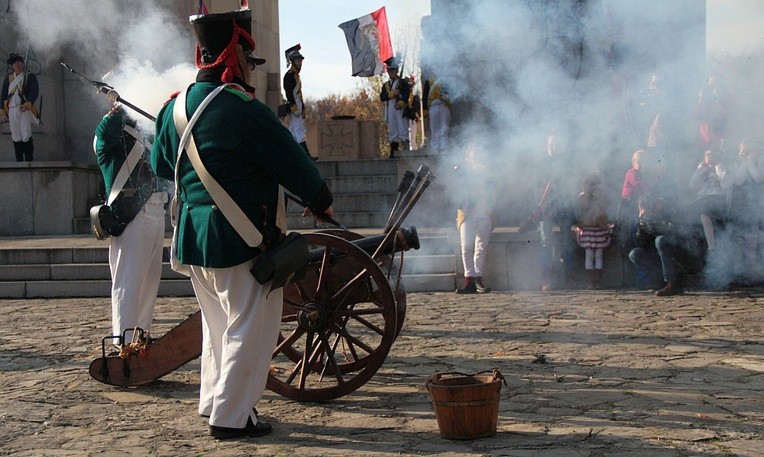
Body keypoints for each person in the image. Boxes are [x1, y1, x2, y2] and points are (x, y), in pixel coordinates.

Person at [151, 9, 334, 440]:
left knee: (219, 326)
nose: (249, 70)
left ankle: (215, 400)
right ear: (233, 55)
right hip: (239, 239)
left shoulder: (173, 108)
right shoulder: (244, 109)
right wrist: (320, 200)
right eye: (247, 60)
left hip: (194, 240)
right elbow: (294, 163)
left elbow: (162, 164)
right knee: (250, 329)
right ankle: (232, 418)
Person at [94, 102, 167, 349]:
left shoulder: (145, 132)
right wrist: (121, 105)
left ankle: (141, 339)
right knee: (129, 283)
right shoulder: (107, 136)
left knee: (149, 285)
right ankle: (124, 343)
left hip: (156, 212)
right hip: (132, 217)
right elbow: (105, 132)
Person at [628, 195, 704, 296]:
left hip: (680, 256)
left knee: (661, 240)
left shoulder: (666, 213)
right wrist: (642, 226)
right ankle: (660, 282)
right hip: (661, 257)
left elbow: (673, 234)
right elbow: (642, 244)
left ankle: (671, 283)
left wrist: (654, 222)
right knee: (635, 254)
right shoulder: (645, 220)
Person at [455, 142, 494, 294]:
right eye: (473, 152)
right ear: (468, 156)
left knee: (481, 246)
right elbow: (462, 186)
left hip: (484, 211)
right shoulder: (462, 170)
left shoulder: (488, 170)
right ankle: (469, 279)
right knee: (466, 246)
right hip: (467, 212)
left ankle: (478, 278)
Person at [572, 174, 613, 289]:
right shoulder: (580, 199)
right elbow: (578, 215)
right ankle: (590, 282)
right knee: (589, 255)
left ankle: (598, 281)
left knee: (599, 255)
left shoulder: (600, 197)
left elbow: (604, 210)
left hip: (598, 228)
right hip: (587, 229)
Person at [688, 149, 731, 252]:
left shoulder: (720, 167)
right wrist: (700, 169)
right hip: (704, 198)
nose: (710, 157)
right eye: (707, 155)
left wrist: (716, 168)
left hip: (717, 197)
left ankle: (712, 246)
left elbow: (727, 183)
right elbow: (693, 185)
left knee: (705, 215)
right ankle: (709, 246)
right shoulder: (702, 169)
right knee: (701, 215)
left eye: (712, 155)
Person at [1, 53, 39, 161]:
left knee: (26, 133)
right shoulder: (8, 78)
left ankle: (28, 159)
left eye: (18, 62)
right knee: (16, 135)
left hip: (23, 108)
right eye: (14, 63)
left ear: (22, 63)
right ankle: (19, 160)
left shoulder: (29, 76)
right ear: (12, 65)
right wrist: (3, 112)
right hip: (12, 109)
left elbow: (34, 91)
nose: (17, 64)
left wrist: (27, 104)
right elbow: (3, 94)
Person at [283, 44, 315, 160]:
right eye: (297, 60)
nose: (300, 63)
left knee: (292, 131)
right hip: (294, 105)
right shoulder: (289, 75)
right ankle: (306, 155)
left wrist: (303, 107)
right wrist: (294, 107)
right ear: (292, 61)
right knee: (299, 129)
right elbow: (289, 93)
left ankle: (289, 153)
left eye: (300, 60)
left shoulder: (296, 75)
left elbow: (299, 93)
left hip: (298, 104)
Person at [380, 56, 410, 159]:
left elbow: (406, 94)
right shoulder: (386, 85)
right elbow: (382, 97)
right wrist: (391, 95)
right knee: (392, 130)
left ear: (397, 70)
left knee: (403, 129)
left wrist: (401, 102)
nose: (391, 72)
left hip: (400, 108)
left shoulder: (403, 83)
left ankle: (406, 149)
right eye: (389, 70)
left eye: (393, 70)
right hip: (390, 108)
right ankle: (393, 151)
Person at [427, 73, 451, 153]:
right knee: (434, 129)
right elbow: (425, 95)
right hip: (433, 105)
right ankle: (434, 149)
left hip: (444, 105)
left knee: (444, 128)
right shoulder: (429, 80)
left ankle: (444, 148)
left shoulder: (446, 79)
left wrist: (445, 97)